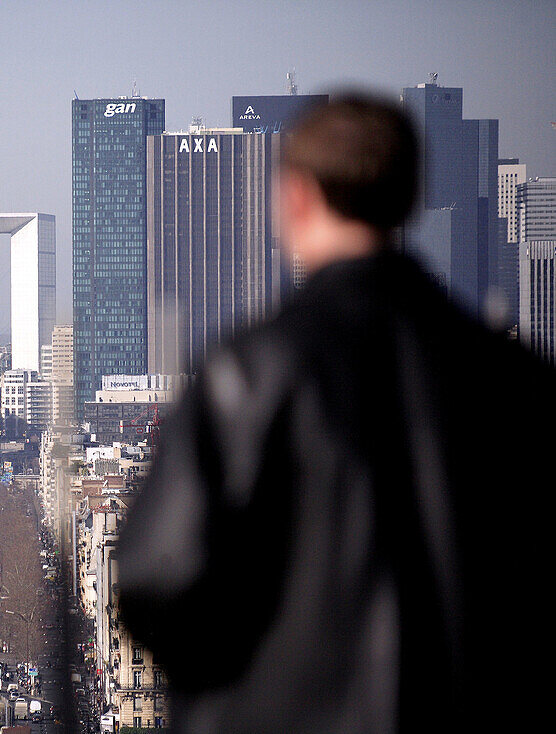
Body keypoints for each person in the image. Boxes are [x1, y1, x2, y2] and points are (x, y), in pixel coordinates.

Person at [118, 96, 555, 732]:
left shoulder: (251, 371)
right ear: (411, 197)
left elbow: (157, 576)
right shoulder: (518, 380)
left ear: (296, 198)